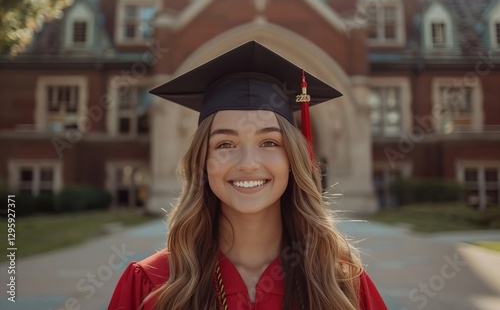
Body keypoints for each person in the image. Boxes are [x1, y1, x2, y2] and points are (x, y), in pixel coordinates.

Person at [108, 41, 388, 310]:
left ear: (293, 158)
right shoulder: (152, 283)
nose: (248, 163)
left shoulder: (342, 283)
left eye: (269, 142)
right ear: (202, 161)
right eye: (225, 144)